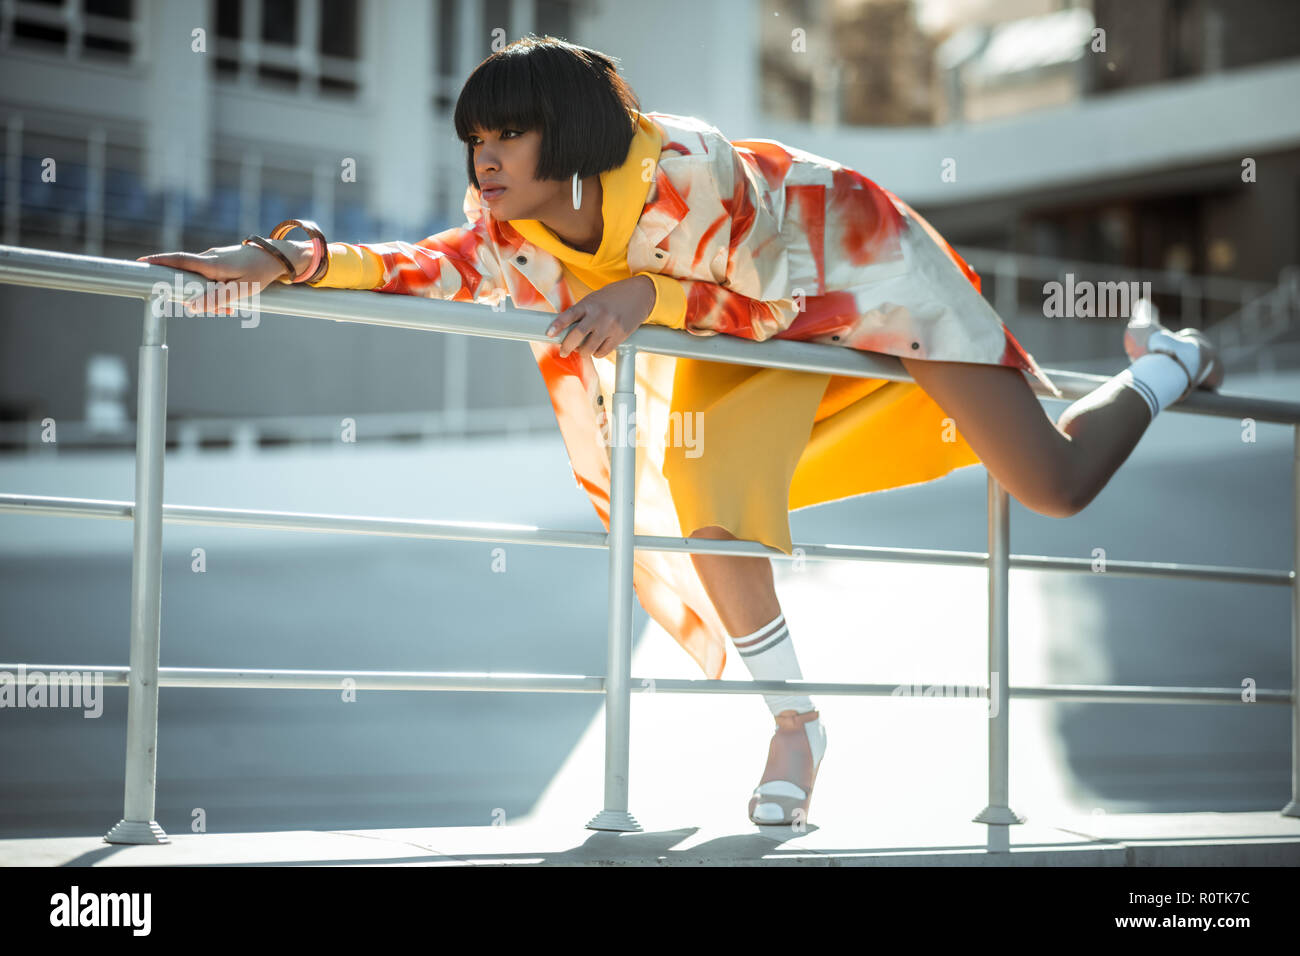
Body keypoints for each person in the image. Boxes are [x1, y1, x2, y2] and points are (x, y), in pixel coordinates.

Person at [137, 35, 1224, 829]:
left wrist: (638, 301)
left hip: (852, 263)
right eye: (477, 137)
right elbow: (426, 267)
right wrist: (284, 258)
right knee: (711, 507)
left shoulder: (686, 166)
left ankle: (1169, 362)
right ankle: (797, 722)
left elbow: (764, 289)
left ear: (563, 134)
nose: (486, 157)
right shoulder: (509, 229)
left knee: (1053, 483)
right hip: (727, 330)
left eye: (507, 133)